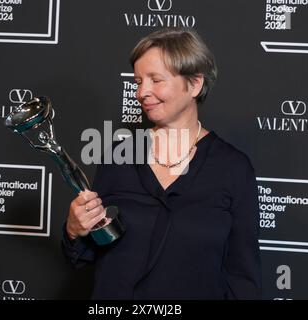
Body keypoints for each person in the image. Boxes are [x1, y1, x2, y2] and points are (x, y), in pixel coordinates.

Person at [62, 28, 262, 299]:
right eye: (138, 81)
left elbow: (243, 278)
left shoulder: (233, 169)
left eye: (156, 80)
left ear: (194, 84)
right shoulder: (117, 156)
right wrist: (74, 229)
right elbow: (85, 253)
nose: (142, 92)